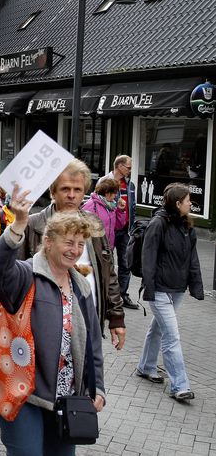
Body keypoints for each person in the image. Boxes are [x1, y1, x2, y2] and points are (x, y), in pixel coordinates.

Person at [0, 191, 106, 456]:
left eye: (80, 244)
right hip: (23, 394)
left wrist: (98, 388)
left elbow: (93, 346)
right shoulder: (26, 274)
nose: (75, 250)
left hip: (67, 398)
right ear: (48, 241)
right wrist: (18, 225)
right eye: (68, 242)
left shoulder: (81, 286)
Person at [18, 159, 126, 350]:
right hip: (44, 325)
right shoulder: (33, 225)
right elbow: (12, 276)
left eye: (77, 190)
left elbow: (108, 272)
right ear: (53, 191)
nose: (71, 195)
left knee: (89, 377)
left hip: (88, 318)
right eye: (65, 189)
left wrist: (116, 317)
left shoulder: (93, 225)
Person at [137, 183, 203, 401]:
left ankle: (145, 367)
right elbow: (148, 257)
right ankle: (180, 385)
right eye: (187, 200)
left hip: (177, 290)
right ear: (177, 203)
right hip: (160, 290)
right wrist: (150, 287)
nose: (190, 203)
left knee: (158, 328)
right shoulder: (158, 223)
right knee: (172, 336)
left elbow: (192, 259)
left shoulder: (187, 226)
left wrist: (196, 285)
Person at [98, 155, 139, 309]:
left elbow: (132, 206)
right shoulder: (104, 181)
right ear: (120, 166)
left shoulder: (130, 185)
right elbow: (99, 203)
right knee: (106, 262)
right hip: (110, 229)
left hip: (126, 229)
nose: (130, 170)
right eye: (128, 167)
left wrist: (132, 226)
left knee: (125, 263)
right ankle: (106, 295)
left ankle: (122, 295)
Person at [82, 178, 127, 250]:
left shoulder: (112, 206)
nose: (115, 196)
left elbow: (118, 226)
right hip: (95, 249)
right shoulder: (91, 205)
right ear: (107, 193)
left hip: (108, 249)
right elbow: (83, 229)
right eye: (114, 193)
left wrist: (120, 210)